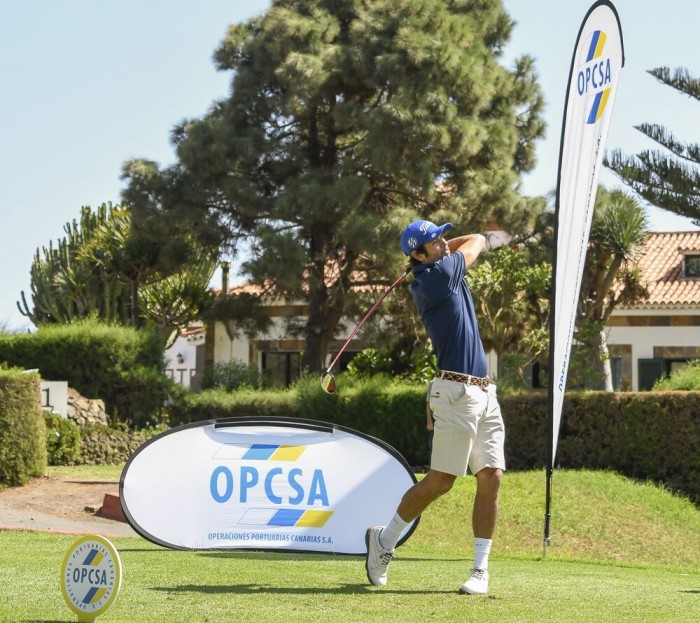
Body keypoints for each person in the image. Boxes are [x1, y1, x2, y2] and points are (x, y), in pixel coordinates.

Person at [364, 219, 506, 595]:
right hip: (455, 393)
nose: (443, 243)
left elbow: (455, 245)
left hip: (484, 391)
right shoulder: (440, 276)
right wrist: (441, 251)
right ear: (417, 253)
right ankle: (385, 541)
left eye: (442, 236)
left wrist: (430, 248)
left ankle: (480, 570)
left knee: (492, 476)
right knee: (441, 481)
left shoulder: (436, 267)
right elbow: (476, 239)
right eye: (433, 241)